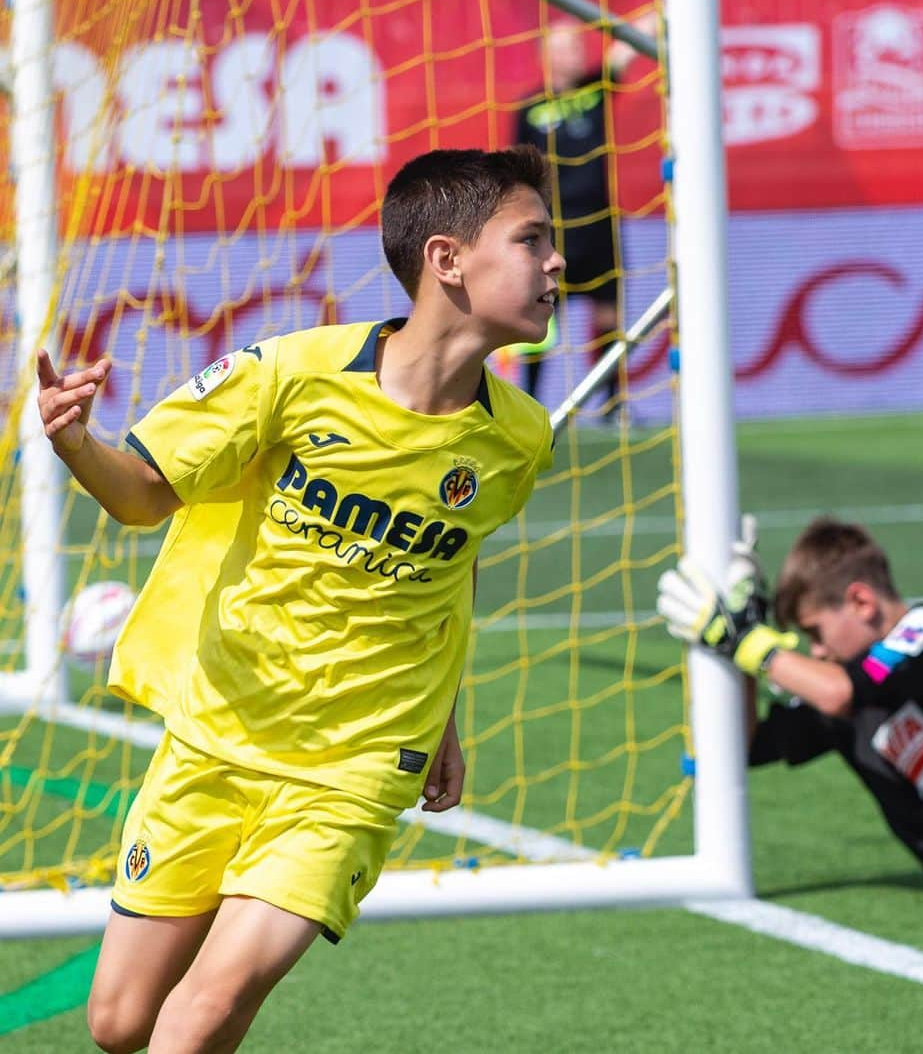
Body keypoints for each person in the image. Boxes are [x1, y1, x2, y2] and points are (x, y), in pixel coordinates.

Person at [37, 145, 564, 1053]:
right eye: (532, 239)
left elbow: (450, 562)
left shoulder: (519, 437)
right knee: (120, 1021)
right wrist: (78, 443)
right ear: (447, 260)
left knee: (207, 1007)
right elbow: (141, 495)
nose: (557, 262)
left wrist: (441, 715)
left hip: (356, 763)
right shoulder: (290, 373)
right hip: (220, 727)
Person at [657, 516, 923, 917]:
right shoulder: (830, 703)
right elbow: (742, 747)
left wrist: (744, 641)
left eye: (815, 632)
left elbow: (841, 692)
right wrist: (737, 652)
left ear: (861, 601)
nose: (816, 651)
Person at [513, 15, 652, 412]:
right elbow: (516, 171)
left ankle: (612, 405)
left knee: (608, 314)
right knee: (539, 319)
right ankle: (528, 406)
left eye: (577, 45)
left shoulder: (596, 89)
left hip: (599, 225)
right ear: (546, 56)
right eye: (564, 47)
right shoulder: (531, 108)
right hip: (552, 230)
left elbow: (627, 48)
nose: (574, 53)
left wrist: (661, 15)